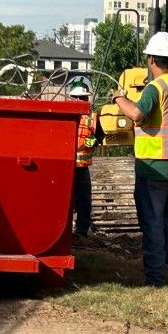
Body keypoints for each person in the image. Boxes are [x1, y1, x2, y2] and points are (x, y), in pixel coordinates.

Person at [113, 32, 168, 287]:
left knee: (152, 223)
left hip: (154, 167)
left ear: (151, 61)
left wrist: (118, 98)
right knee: (167, 218)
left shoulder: (155, 88)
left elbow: (136, 113)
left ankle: (155, 280)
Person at [68, 78, 99, 238]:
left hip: (81, 168)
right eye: (77, 98)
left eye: (83, 98)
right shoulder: (64, 115)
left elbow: (99, 138)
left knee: (84, 201)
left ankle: (81, 231)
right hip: (65, 168)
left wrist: (88, 142)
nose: (80, 101)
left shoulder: (92, 118)